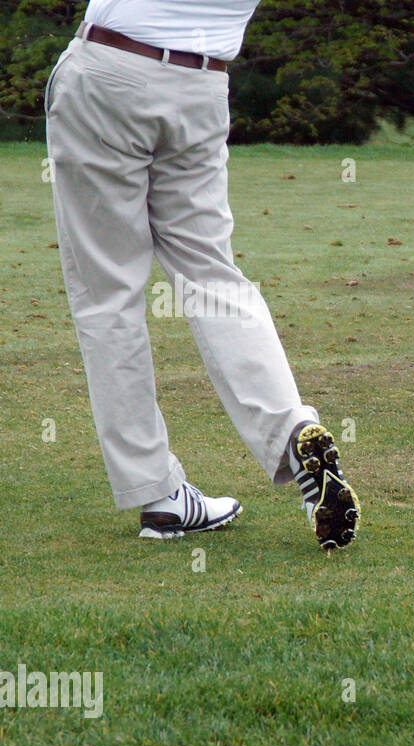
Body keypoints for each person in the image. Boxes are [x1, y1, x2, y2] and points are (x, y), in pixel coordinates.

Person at [44, 1, 358, 551]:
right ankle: (290, 432)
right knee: (213, 278)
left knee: (108, 296)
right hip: (198, 84)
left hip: (109, 67)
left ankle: (158, 493)